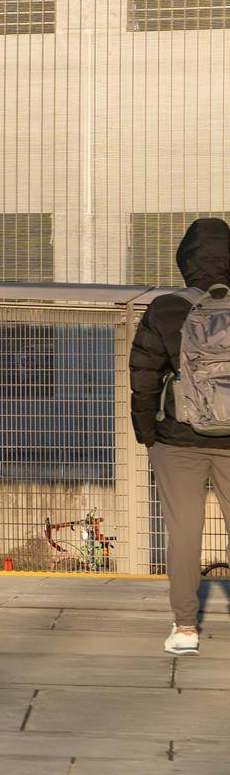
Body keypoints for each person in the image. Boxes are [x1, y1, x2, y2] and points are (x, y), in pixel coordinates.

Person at [129, 216, 230, 656]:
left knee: (185, 532)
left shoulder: (165, 308)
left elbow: (144, 377)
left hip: (177, 439)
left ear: (183, 260)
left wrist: (147, 434)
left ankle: (185, 628)